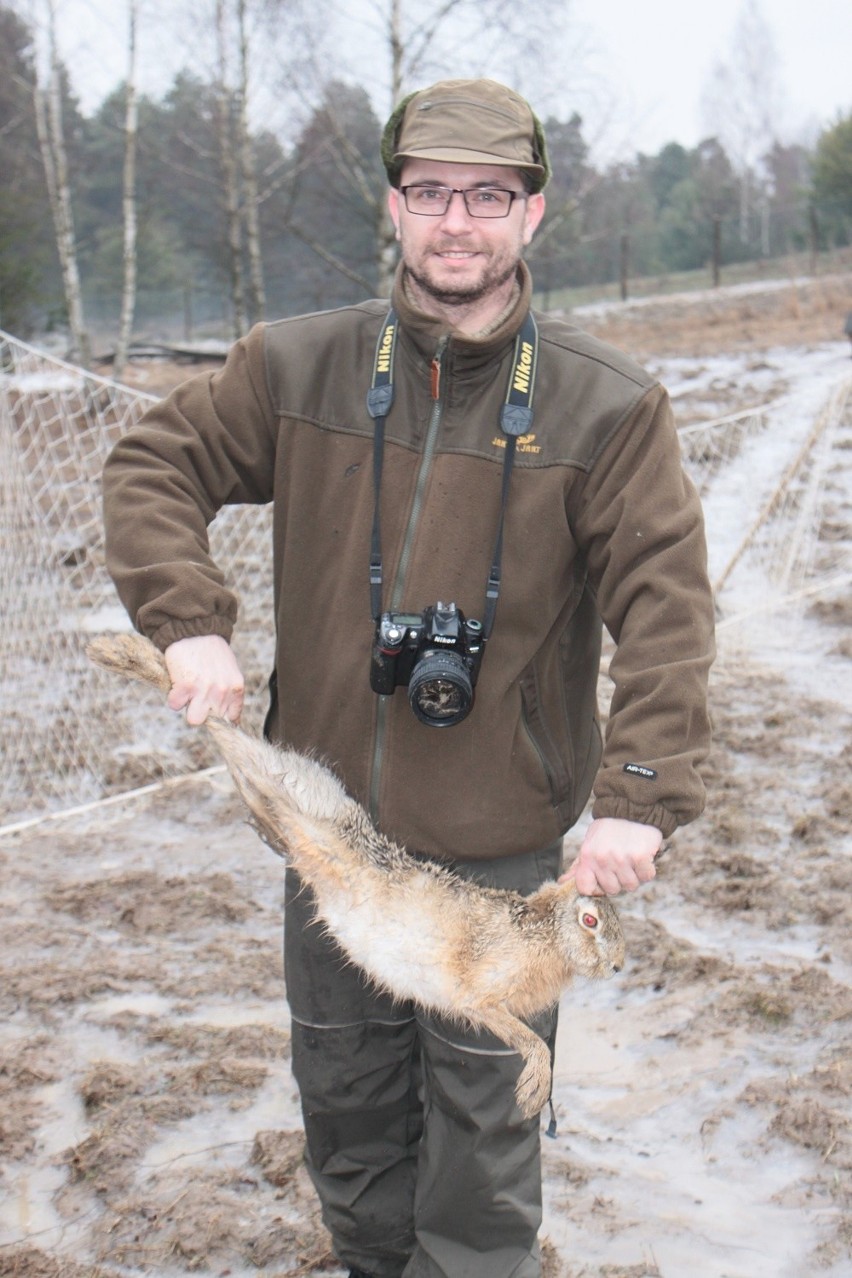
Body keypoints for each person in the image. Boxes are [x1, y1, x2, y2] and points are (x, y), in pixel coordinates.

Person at [103, 78, 715, 1278]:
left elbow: (669, 613)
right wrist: (187, 622)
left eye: (489, 196)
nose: (457, 221)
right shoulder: (300, 366)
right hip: (329, 843)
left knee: (483, 1163)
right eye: (430, 192)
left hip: (498, 868)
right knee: (350, 1131)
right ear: (394, 203)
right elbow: (150, 467)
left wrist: (642, 792)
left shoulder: (609, 406)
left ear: (533, 215)